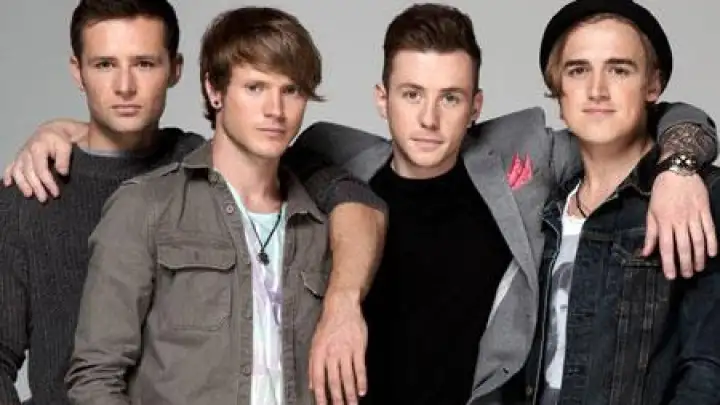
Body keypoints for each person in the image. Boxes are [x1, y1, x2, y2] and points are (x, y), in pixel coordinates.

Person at [4, 3, 717, 405]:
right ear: (381, 99)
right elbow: (212, 152)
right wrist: (74, 134)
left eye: (449, 98)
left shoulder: (524, 161)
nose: (429, 119)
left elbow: (638, 118)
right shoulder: (331, 159)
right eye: (410, 95)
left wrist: (682, 163)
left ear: (477, 105)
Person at [0, 2, 385, 405]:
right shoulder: (35, 192)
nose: (125, 86)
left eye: (145, 64)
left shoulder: (210, 158)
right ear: (78, 71)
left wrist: (343, 304)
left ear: (175, 69)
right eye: (105, 65)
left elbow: (350, 192)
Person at [521, 1, 720, 404]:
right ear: (558, 90)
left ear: (652, 85)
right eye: (578, 70)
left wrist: (679, 168)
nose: (597, 90)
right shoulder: (542, 204)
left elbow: (708, 368)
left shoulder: (699, 196)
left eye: (619, 69)